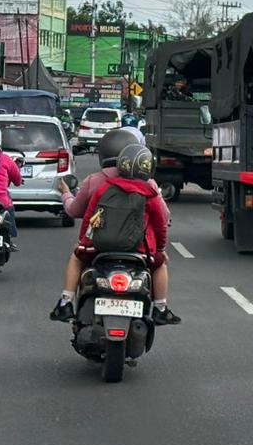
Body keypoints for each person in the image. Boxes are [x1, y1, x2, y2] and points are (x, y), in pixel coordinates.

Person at [49, 128, 180, 325]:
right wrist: (160, 249)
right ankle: (161, 307)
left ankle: (65, 302)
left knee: (76, 258)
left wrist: (83, 243)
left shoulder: (100, 185)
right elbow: (162, 222)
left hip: (100, 246)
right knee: (160, 264)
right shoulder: (150, 188)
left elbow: (85, 217)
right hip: (140, 249)